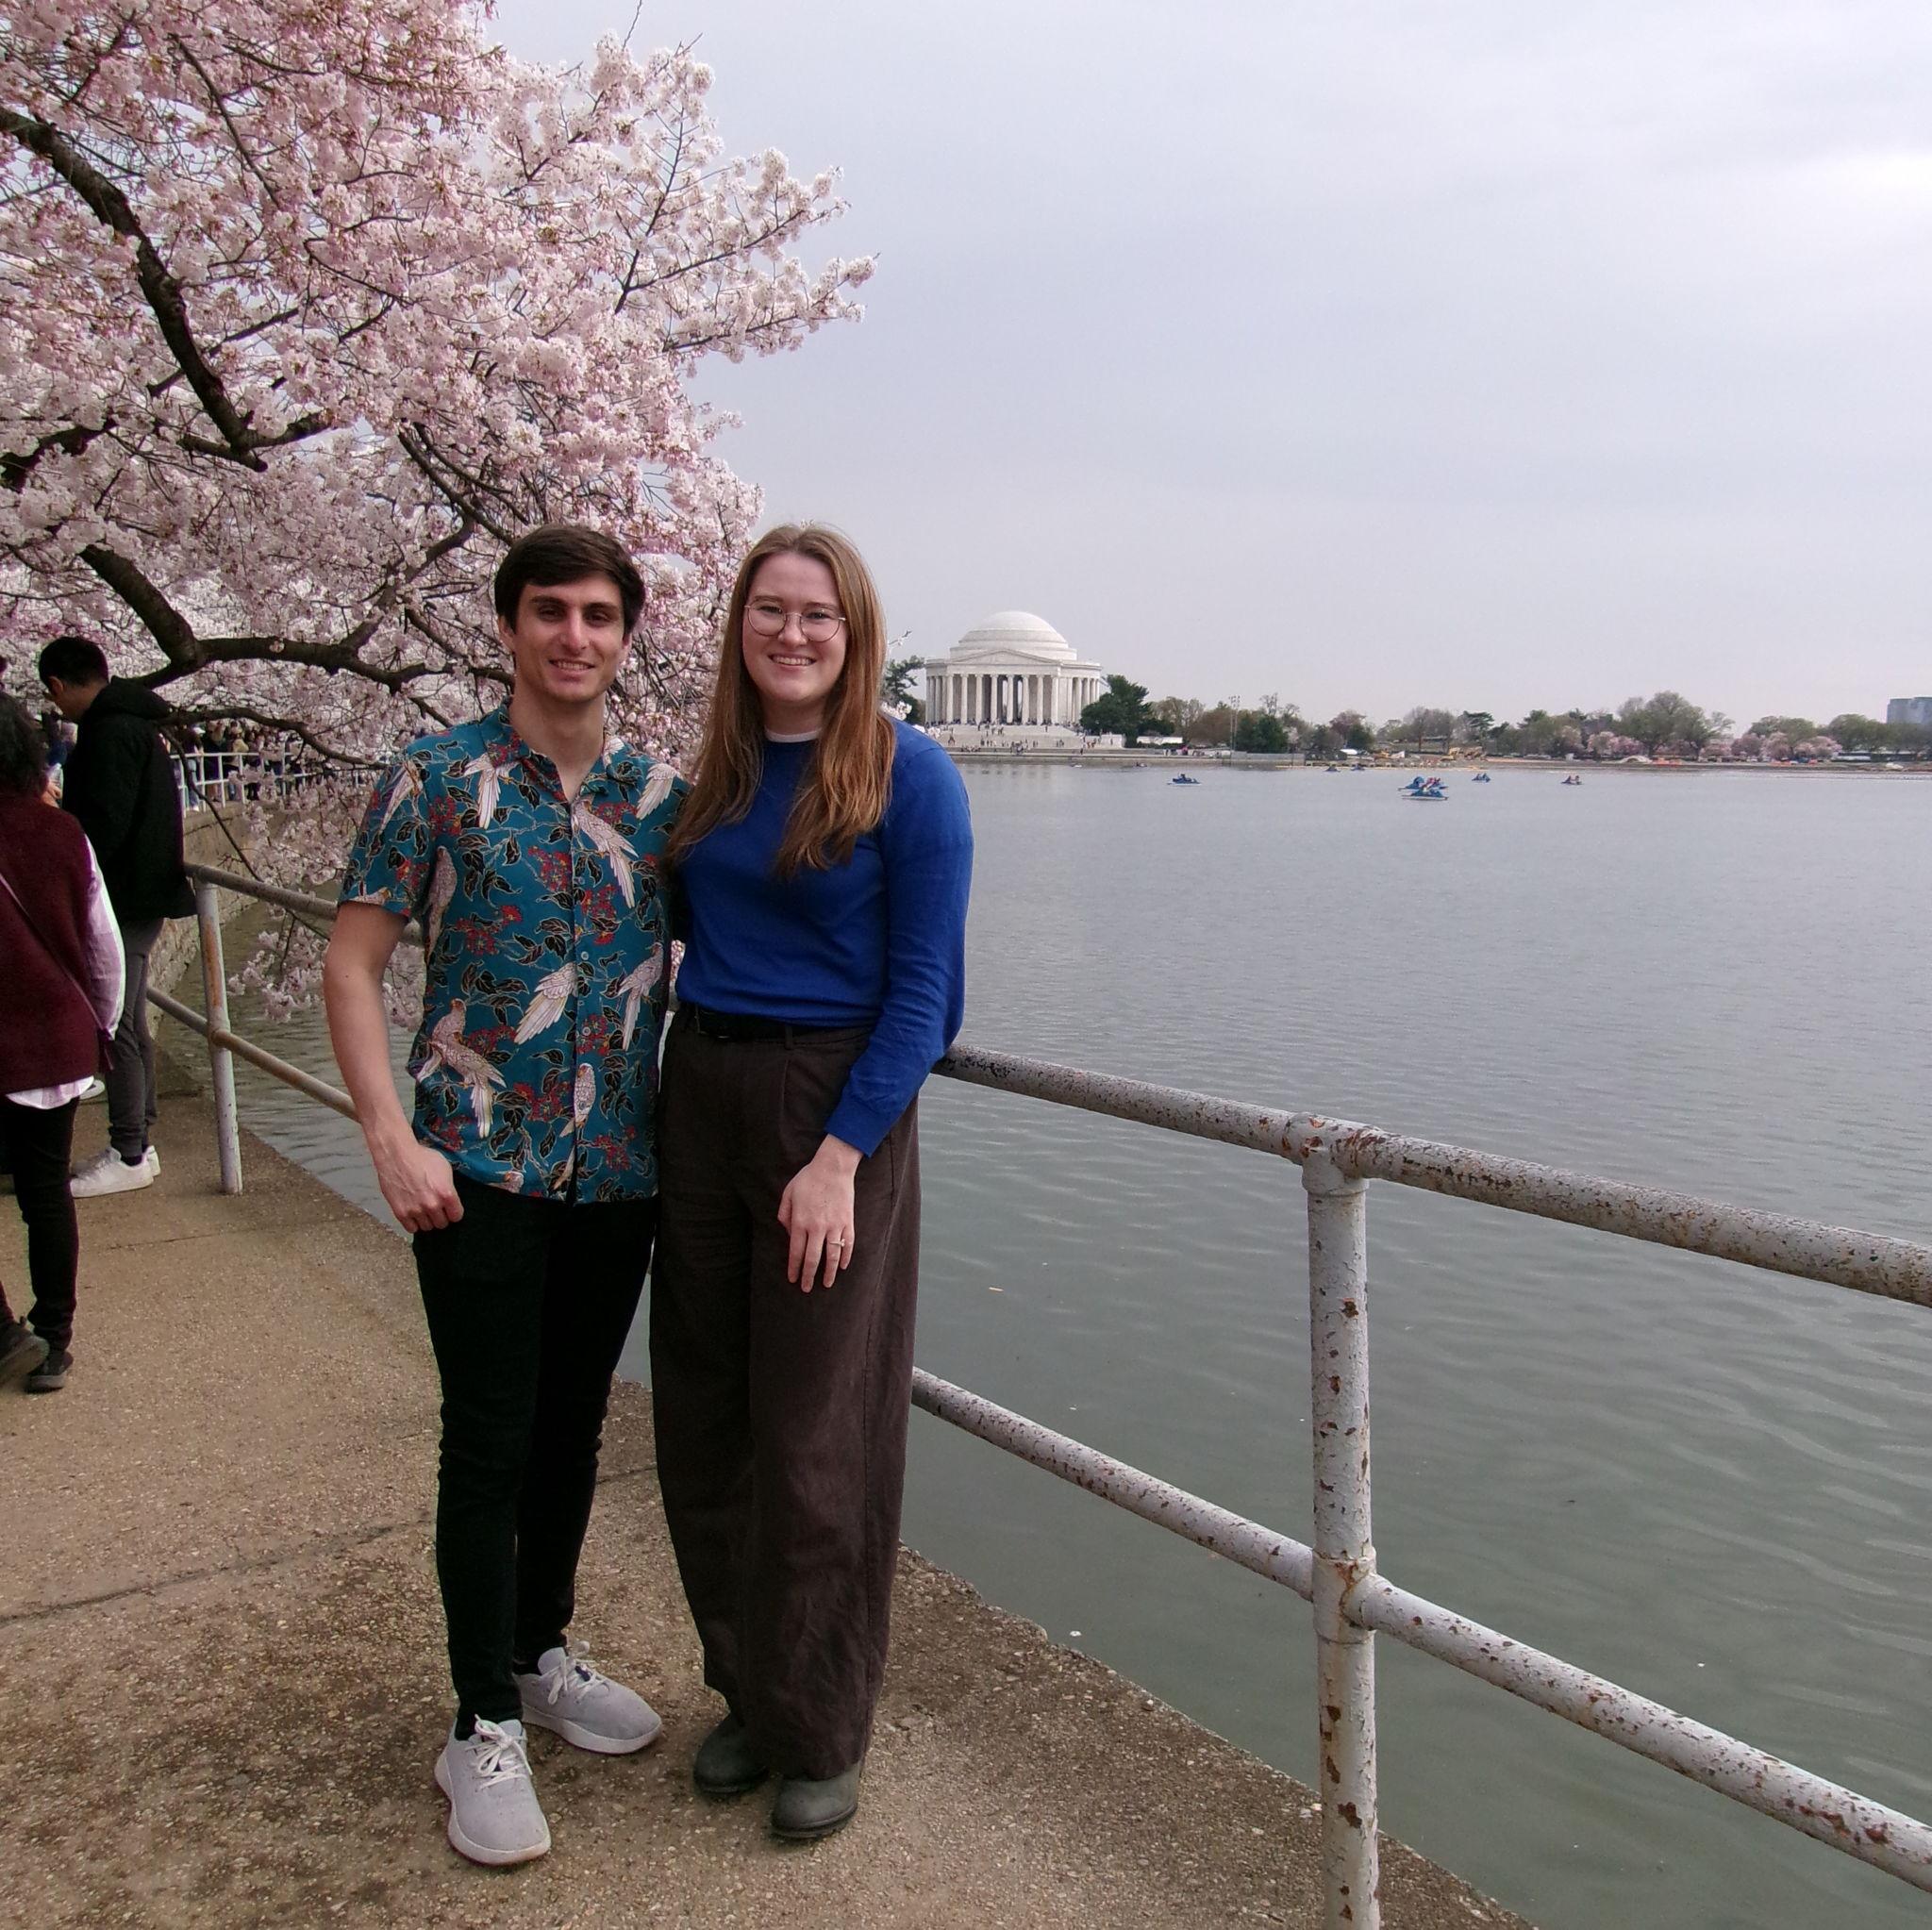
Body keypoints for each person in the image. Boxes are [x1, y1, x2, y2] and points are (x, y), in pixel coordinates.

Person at [323, 524, 681, 1869]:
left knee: (575, 1425)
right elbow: (352, 963)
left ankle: (536, 1647)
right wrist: (387, 1135)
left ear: (627, 634)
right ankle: (476, 1717)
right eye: (550, 612)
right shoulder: (434, 774)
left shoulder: (664, 797)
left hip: (618, 1173)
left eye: (598, 614)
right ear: (510, 626)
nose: (574, 636)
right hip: (474, 1163)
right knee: (487, 1435)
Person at [652, 524, 974, 1841]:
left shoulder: (911, 777)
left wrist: (840, 1155)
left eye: (819, 616)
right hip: (702, 1088)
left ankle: (824, 1720)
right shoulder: (716, 776)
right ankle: (747, 1687)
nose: (793, 634)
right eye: (771, 610)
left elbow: (927, 993)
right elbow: (680, 931)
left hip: (827, 1106)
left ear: (857, 635)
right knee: (706, 1410)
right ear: (740, 625)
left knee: (818, 1431)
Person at [37, 636, 192, 1197]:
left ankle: (131, 1151)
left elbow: (102, 826)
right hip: (148, 894)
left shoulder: (108, 735)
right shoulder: (136, 725)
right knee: (131, 1021)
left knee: (117, 1023)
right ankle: (138, 1139)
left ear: (57, 686)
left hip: (124, 898)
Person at [0, 696, 125, 1394]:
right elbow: (104, 944)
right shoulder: (60, 833)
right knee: (45, 1193)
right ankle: (52, 1337)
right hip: (51, 1037)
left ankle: (2, 1330)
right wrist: (97, 1026)